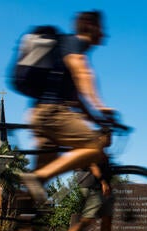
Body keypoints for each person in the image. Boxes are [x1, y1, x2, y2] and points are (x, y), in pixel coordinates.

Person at [20, 10, 114, 205]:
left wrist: (96, 119)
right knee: (96, 147)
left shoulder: (62, 53)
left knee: (36, 190)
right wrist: (100, 105)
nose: (103, 33)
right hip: (52, 114)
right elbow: (82, 72)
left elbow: (78, 101)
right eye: (101, 28)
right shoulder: (74, 43)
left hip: (40, 115)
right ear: (91, 27)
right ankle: (36, 178)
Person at [57, 130, 121, 231]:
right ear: (101, 137)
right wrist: (103, 182)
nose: (110, 139)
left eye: (111, 136)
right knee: (88, 219)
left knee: (107, 218)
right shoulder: (93, 148)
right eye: (108, 136)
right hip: (92, 186)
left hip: (103, 189)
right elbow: (93, 166)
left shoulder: (104, 152)